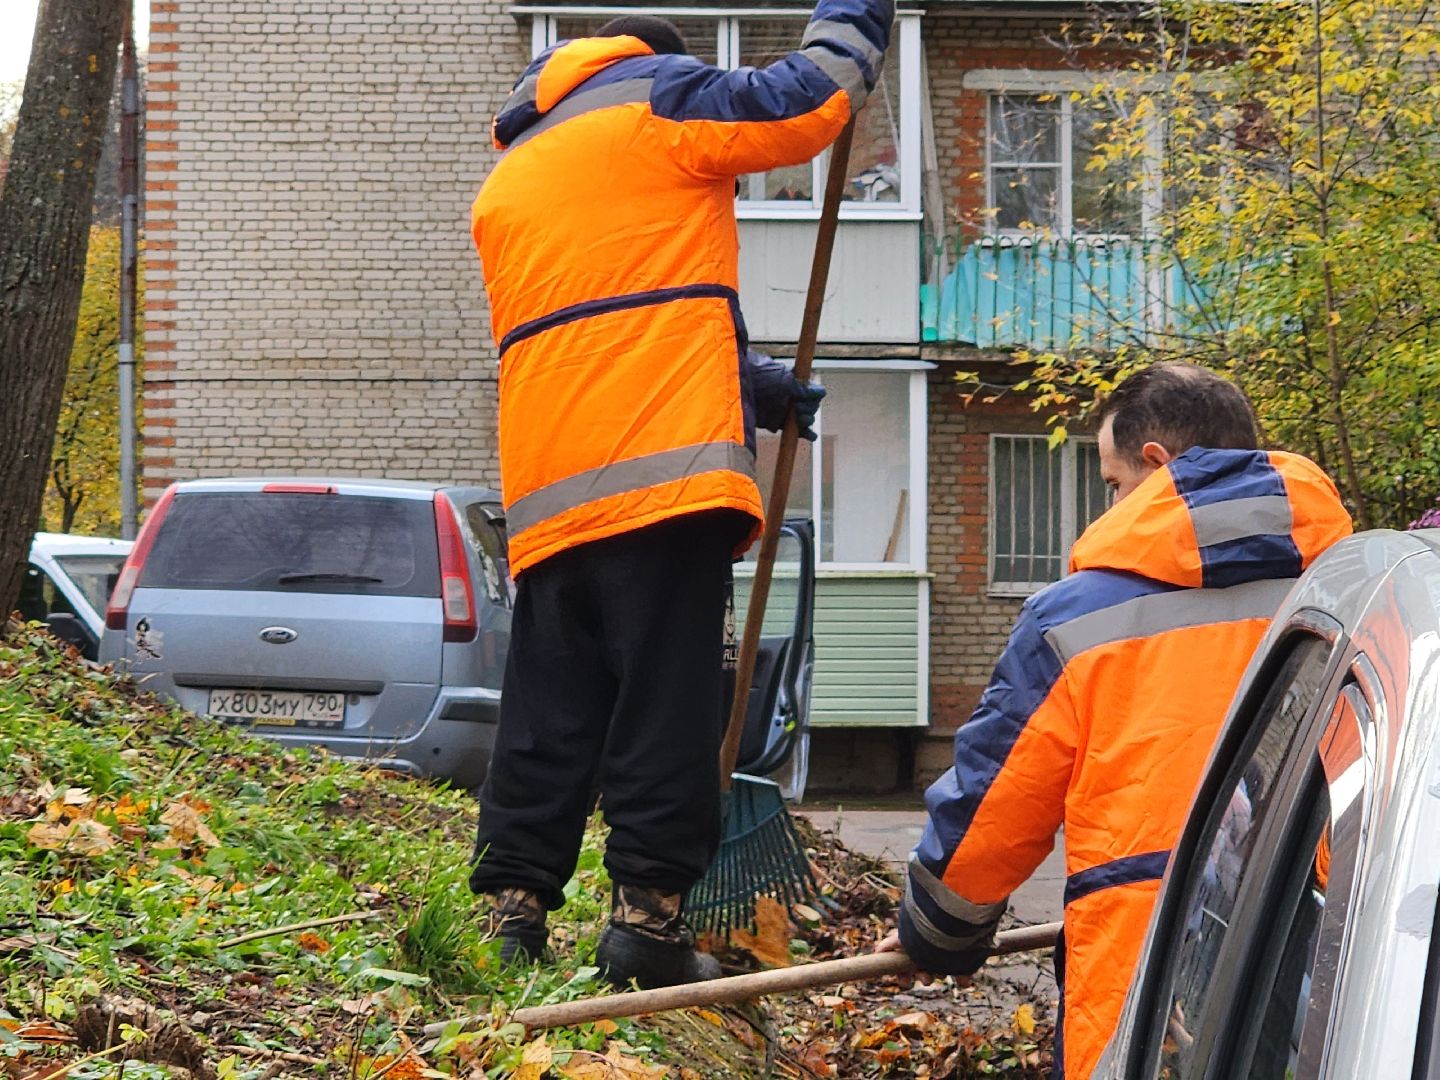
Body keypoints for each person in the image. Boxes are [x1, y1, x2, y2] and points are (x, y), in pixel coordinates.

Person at [467, 0, 892, 990]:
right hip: (661, 475)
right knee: (668, 700)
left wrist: (754, 385)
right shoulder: (658, 97)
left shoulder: (518, 169)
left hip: (549, 485)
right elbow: (807, 101)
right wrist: (854, 19)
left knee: (552, 704)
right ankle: (647, 923)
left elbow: (612, 311)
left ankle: (511, 913)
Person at [882, 362, 1353, 1079]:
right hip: (1340, 957)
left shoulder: (1077, 620)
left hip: (1150, 981)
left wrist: (937, 932)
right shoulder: (1353, 590)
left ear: (1157, 464)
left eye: (1111, 482)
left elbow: (995, 809)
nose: (1110, 505)